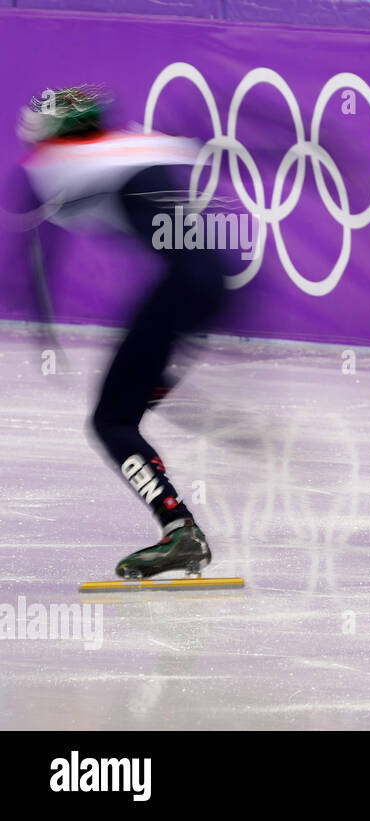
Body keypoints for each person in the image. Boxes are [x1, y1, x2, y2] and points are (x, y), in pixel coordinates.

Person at [7, 86, 229, 575]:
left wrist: (43, 327)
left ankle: (181, 533)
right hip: (215, 289)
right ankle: (166, 391)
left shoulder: (49, 165)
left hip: (180, 290)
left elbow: (33, 257)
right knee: (129, 400)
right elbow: (238, 148)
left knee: (111, 421)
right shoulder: (140, 141)